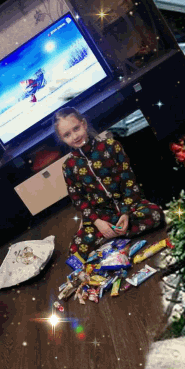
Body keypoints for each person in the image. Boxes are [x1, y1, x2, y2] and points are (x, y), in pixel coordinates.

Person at [54, 107, 165, 260]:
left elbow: (128, 182)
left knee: (156, 214)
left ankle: (111, 238)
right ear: (62, 139)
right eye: (67, 135)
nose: (74, 136)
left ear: (84, 124)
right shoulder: (68, 166)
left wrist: (125, 213)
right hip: (101, 217)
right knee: (75, 251)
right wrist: (97, 222)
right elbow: (79, 200)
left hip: (129, 207)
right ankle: (115, 234)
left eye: (76, 128)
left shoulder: (112, 146)